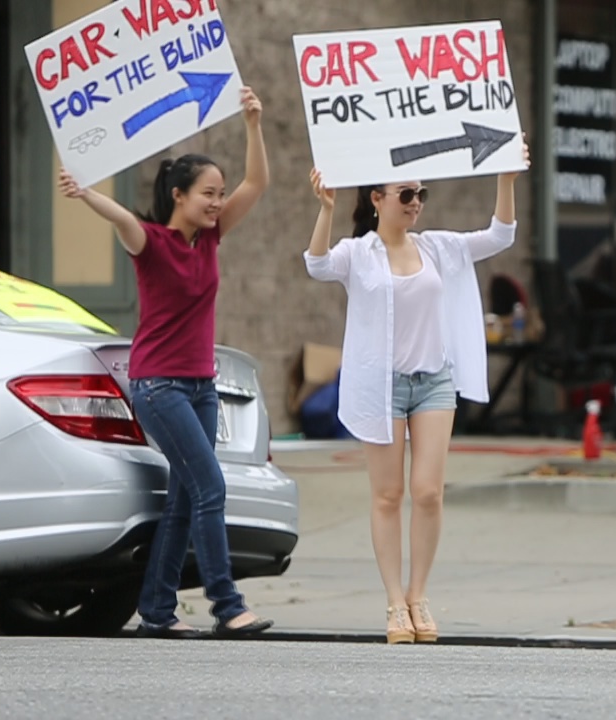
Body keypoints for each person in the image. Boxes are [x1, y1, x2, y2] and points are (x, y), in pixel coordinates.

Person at [58, 87, 272, 640]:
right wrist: (84, 193)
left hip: (201, 388)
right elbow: (119, 217)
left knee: (183, 498)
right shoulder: (150, 241)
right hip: (158, 388)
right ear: (178, 195)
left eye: (220, 194)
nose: (218, 202)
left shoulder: (211, 239)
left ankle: (156, 609)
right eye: (208, 193)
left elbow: (259, 184)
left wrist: (252, 123)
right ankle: (227, 603)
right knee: (210, 488)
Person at [304, 141, 530, 644]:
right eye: (406, 193)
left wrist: (506, 179)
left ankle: (418, 594)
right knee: (388, 495)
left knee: (428, 492)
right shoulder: (358, 254)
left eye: (420, 193)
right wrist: (326, 209)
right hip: (380, 384)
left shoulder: (436, 247)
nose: (415, 202)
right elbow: (316, 265)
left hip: (433, 382)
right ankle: (393, 603)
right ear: (378, 198)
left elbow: (500, 234)